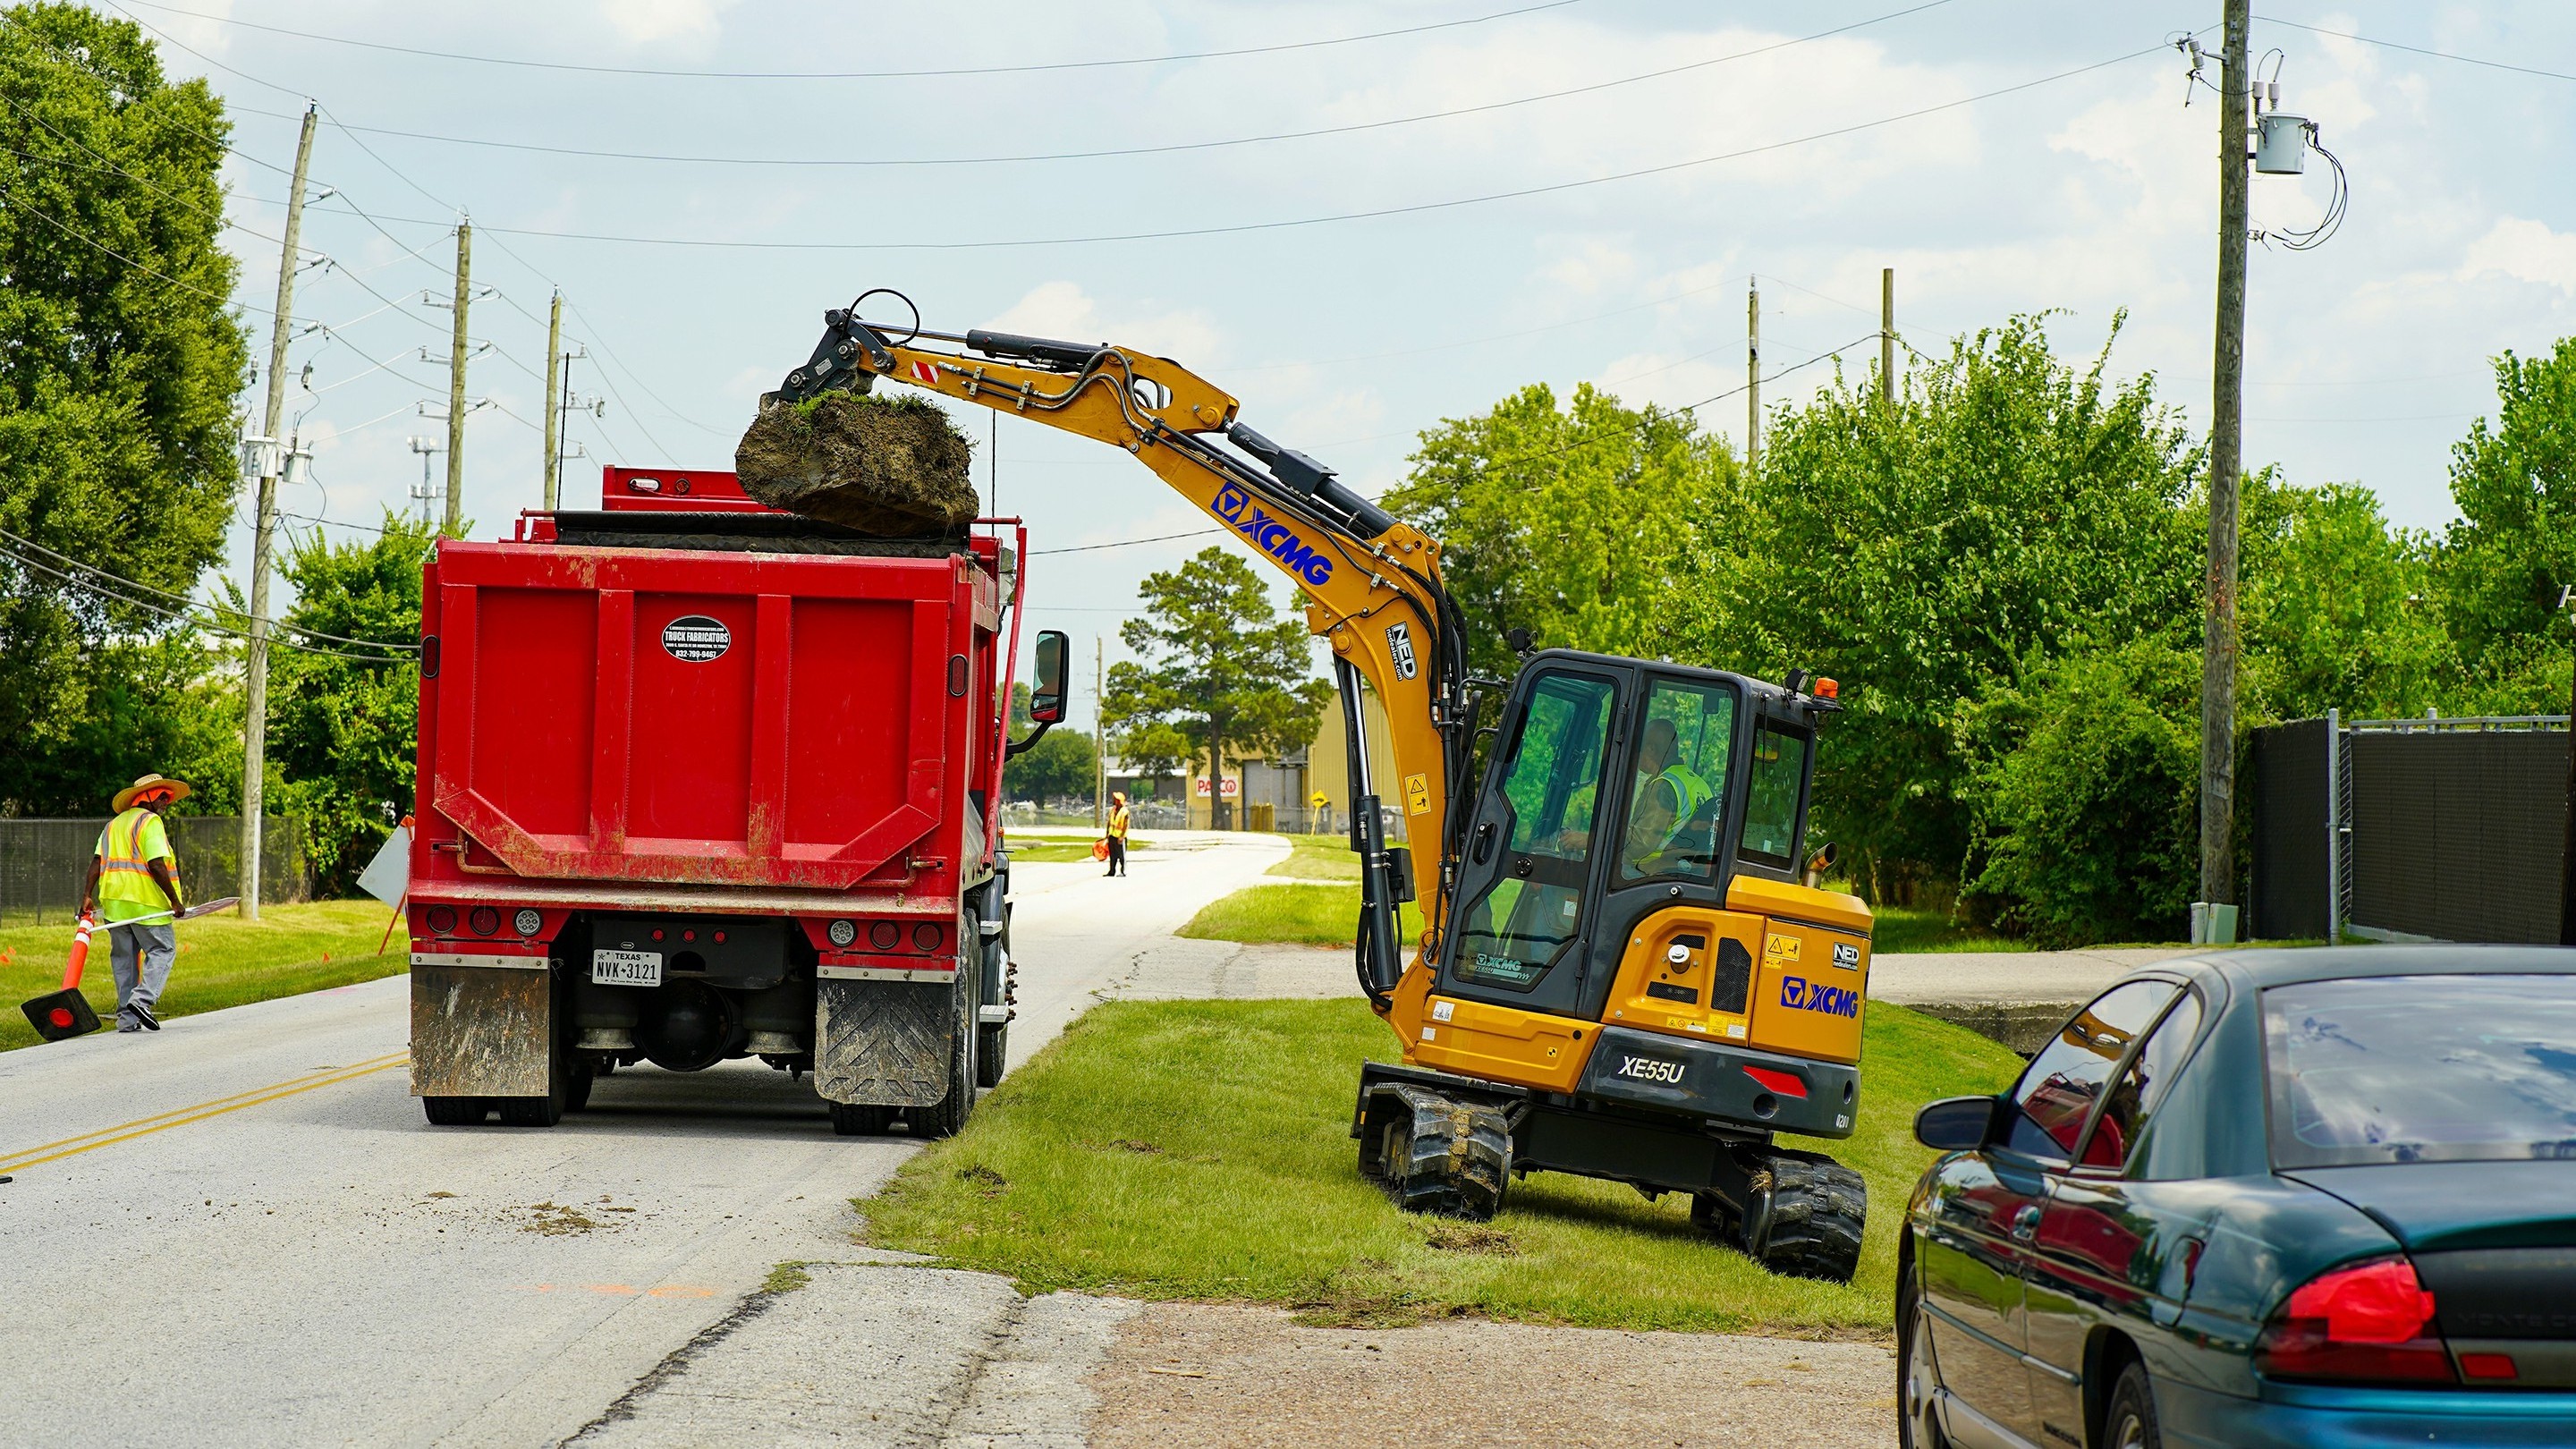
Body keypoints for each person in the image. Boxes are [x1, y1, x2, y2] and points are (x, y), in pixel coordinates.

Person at [80, 773, 191, 1033]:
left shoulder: (113, 825)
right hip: (146, 903)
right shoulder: (150, 822)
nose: (167, 801)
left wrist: (86, 894)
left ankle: (127, 1020)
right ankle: (142, 1000)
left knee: (124, 960)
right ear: (148, 796)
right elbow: (156, 864)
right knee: (163, 951)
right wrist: (174, 900)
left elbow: (97, 862)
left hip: (115, 904)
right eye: (163, 796)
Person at [1622, 718, 1713, 874]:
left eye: (1638, 748)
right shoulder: (1699, 783)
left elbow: (1641, 843)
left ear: (1650, 749)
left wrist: (1593, 843)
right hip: (1679, 871)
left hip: (1648, 873)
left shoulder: (1664, 786)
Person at [1104, 791, 1131, 877]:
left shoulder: (1125, 811)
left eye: (1116, 799)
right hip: (1112, 835)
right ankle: (1112, 871)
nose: (1115, 800)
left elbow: (1126, 825)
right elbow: (1109, 823)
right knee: (1112, 855)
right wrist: (1107, 834)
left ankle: (1123, 871)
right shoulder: (1112, 810)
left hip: (1120, 837)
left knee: (1121, 855)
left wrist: (1122, 836)